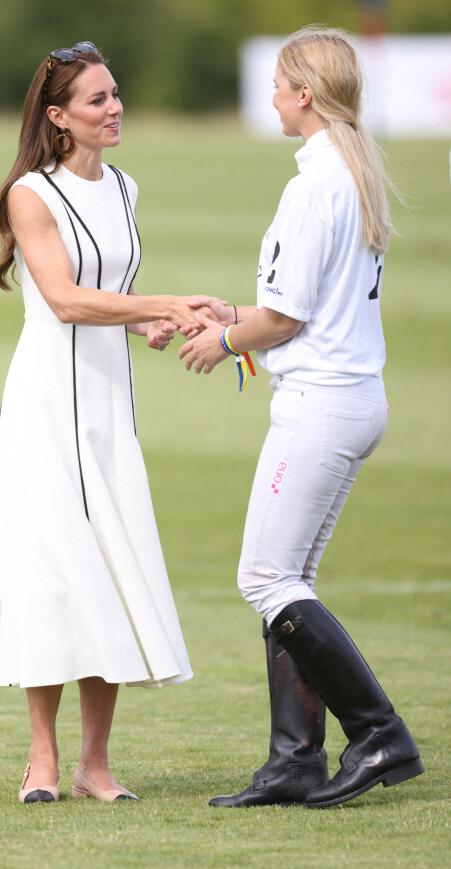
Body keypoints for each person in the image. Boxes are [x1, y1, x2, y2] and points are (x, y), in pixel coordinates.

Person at [178, 26, 424, 809]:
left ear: (304, 95)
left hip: (320, 405)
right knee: (290, 580)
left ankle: (377, 730)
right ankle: (295, 760)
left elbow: (283, 322)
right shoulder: (347, 172)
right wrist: (229, 313)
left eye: (281, 84)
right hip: (348, 397)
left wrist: (223, 339)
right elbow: (295, 310)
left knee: (265, 576)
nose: (273, 94)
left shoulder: (315, 182)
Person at [0, 42, 213, 805]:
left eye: (115, 95)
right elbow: (66, 299)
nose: (113, 108)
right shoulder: (31, 194)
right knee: (53, 582)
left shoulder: (125, 187)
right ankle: (42, 760)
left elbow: (111, 295)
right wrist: (164, 305)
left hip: (109, 415)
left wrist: (146, 323)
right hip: (44, 415)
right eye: (95, 100)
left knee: (111, 572)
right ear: (58, 117)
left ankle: (96, 763)